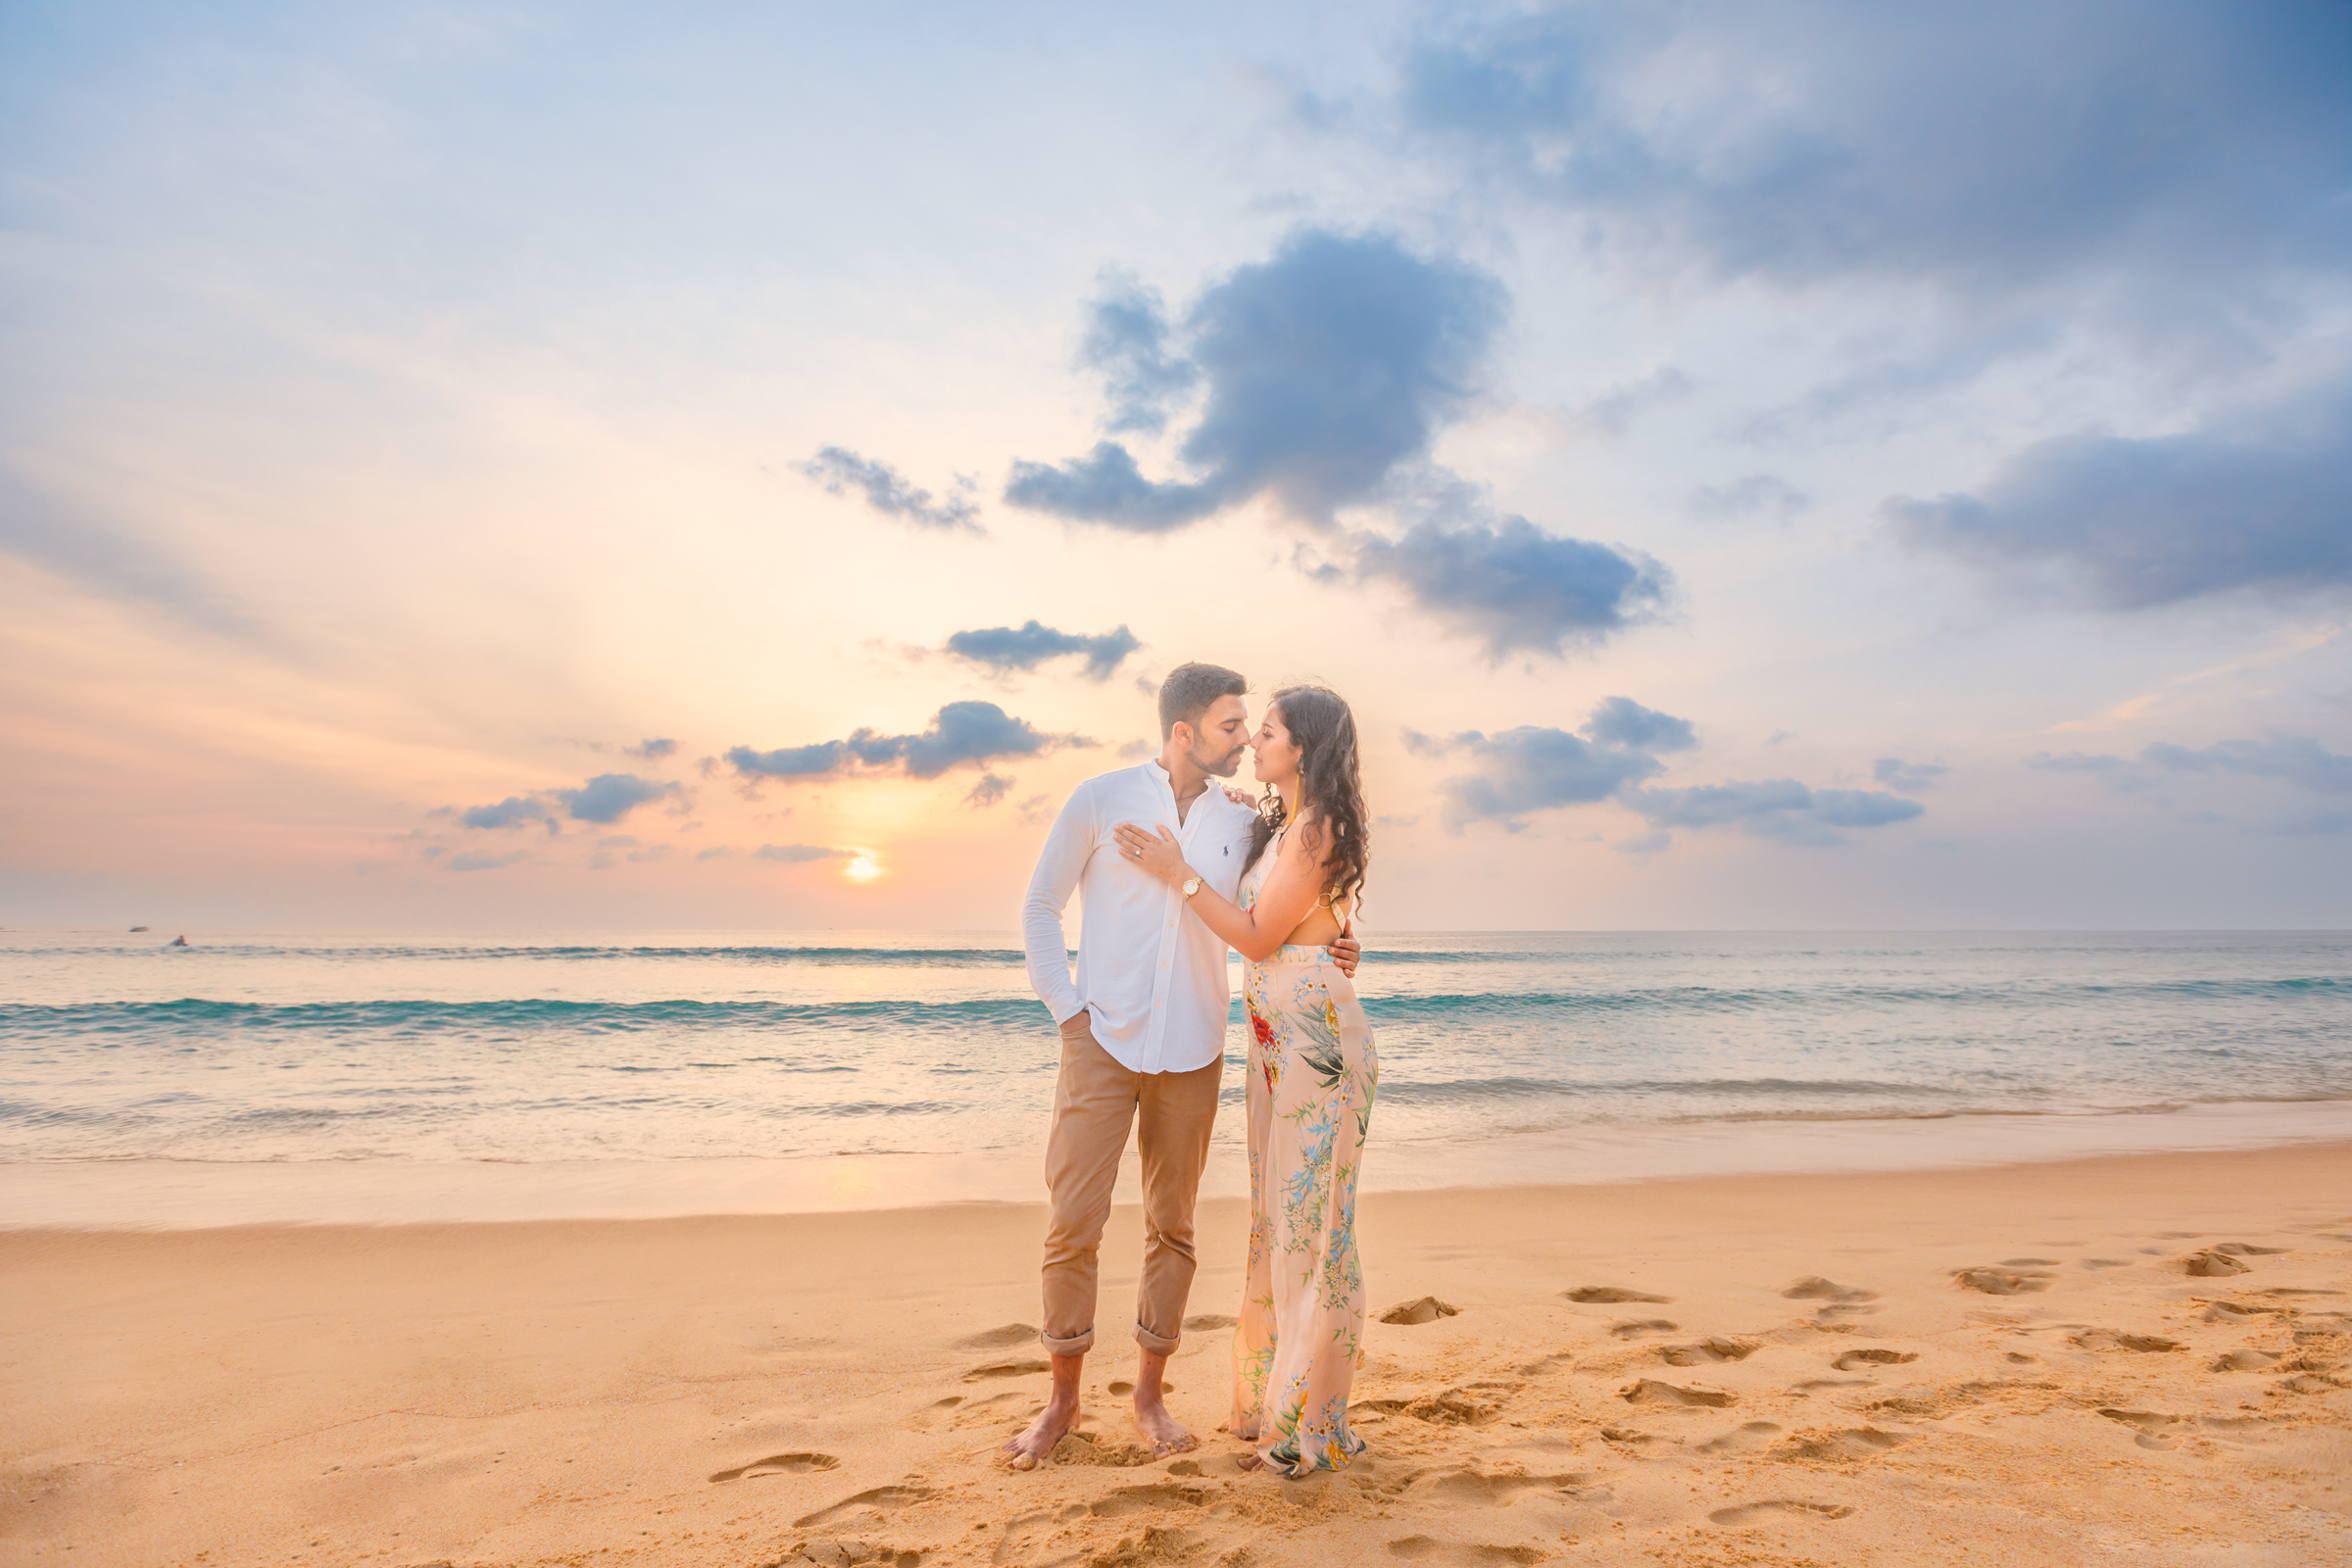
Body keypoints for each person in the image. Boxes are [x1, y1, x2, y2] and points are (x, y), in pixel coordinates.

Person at [1009, 663, 1362, 1470]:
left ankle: (1149, 1396)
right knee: (1073, 1223)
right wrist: (1068, 1013)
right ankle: (1061, 1401)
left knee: (1175, 1228)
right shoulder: (1101, 798)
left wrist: (1341, 939)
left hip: (1194, 1050)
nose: (1244, 739)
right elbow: (1039, 906)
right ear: (1184, 731)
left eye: (1253, 728)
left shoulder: (1247, 823)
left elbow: (1284, 906)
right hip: (1101, 1038)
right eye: (1231, 726)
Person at [1114, 684, 1375, 1477]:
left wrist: (1177, 873)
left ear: (1305, 748)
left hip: (1315, 1045)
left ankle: (1303, 1425)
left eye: (1267, 733)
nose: (1254, 744)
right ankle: (1277, 1407)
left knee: (1309, 1229)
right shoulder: (1285, 825)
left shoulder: (1321, 826)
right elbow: (1311, 924)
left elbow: (1261, 940)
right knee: (1281, 1223)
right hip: (1279, 1043)